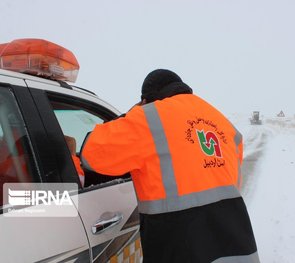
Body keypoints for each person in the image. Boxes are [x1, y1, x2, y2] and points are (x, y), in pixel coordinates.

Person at [80, 69, 260, 263]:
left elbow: (92, 155)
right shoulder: (223, 122)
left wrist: (134, 112)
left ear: (146, 99)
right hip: (238, 244)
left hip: (182, 246)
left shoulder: (148, 118)